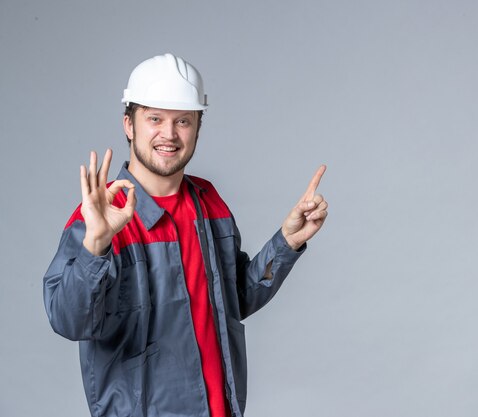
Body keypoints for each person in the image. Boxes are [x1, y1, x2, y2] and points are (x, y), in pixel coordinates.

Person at [43, 53, 328, 417]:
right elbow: (69, 321)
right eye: (155, 119)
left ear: (197, 127)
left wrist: (287, 242)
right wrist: (95, 247)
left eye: (183, 120)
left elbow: (235, 299)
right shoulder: (98, 218)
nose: (169, 134)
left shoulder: (209, 202)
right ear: (129, 124)